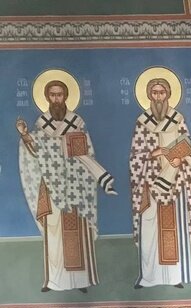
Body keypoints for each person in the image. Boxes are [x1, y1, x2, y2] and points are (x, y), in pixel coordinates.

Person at [16, 78, 116, 293]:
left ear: (66, 97)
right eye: (52, 95)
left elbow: (87, 154)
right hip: (52, 187)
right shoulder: (41, 125)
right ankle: (54, 281)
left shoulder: (77, 123)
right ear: (47, 98)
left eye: (59, 94)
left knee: (78, 233)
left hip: (76, 186)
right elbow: (35, 151)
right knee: (54, 233)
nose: (56, 99)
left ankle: (81, 281)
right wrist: (25, 135)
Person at [130, 76, 191, 289]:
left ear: (168, 95)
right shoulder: (142, 122)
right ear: (149, 95)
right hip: (150, 183)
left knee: (174, 228)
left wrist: (179, 160)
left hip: (175, 184)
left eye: (161, 92)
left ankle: (174, 277)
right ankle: (148, 277)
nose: (158, 97)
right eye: (154, 92)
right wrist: (153, 154)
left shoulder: (178, 120)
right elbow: (136, 155)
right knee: (149, 229)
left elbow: (187, 147)